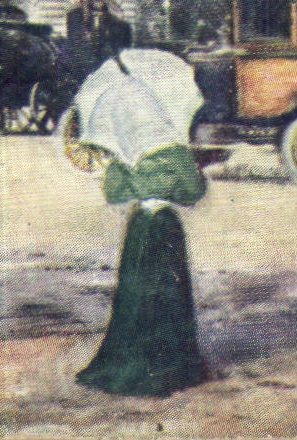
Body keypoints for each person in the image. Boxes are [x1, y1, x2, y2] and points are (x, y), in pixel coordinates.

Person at [74, 49, 209, 397]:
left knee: (135, 295)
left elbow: (115, 194)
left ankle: (130, 360)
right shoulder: (172, 148)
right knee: (168, 293)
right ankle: (171, 363)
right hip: (164, 224)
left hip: (139, 226)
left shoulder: (124, 154)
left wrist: (111, 169)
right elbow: (193, 191)